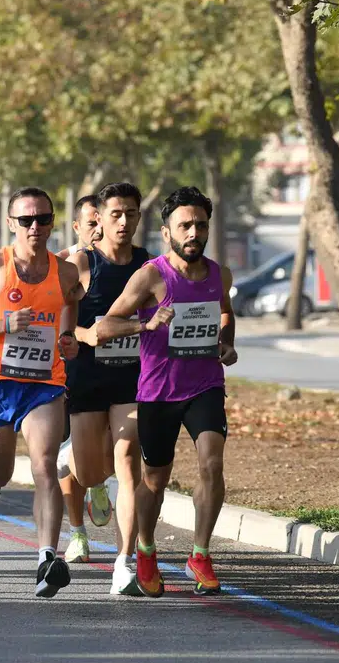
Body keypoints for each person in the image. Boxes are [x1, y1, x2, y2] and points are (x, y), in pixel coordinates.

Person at [97, 186, 236, 598]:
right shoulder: (152, 276)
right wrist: (147, 325)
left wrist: (226, 343)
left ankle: (200, 553)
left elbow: (225, 311)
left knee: (212, 462)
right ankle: (145, 548)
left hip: (205, 385)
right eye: (186, 225)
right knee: (154, 480)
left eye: (201, 225)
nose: (194, 232)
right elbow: (105, 326)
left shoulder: (218, 274)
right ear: (167, 231)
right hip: (159, 392)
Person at [0, 186, 84, 598]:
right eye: (26, 219)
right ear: (11, 223)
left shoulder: (64, 272)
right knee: (1, 468)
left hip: (45, 383)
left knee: (44, 465)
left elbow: (71, 307)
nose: (35, 227)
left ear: (51, 224)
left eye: (43, 219)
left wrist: (68, 338)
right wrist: (4, 325)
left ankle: (47, 558)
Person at [64, 182, 149, 593]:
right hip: (87, 379)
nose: (124, 221)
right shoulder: (81, 263)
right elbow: (63, 327)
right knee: (90, 470)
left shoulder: (150, 265)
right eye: (116, 213)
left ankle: (124, 561)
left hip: (132, 379)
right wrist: (85, 334)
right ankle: (74, 464)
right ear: (99, 217)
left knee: (128, 461)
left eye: (131, 213)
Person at [56, 194, 114, 562]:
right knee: (69, 455)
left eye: (101, 221)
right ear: (77, 227)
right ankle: (77, 533)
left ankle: (98, 480)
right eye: (90, 222)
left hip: (120, 368)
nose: (97, 228)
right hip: (72, 370)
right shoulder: (64, 265)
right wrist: (82, 335)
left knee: (112, 442)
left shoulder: (128, 263)